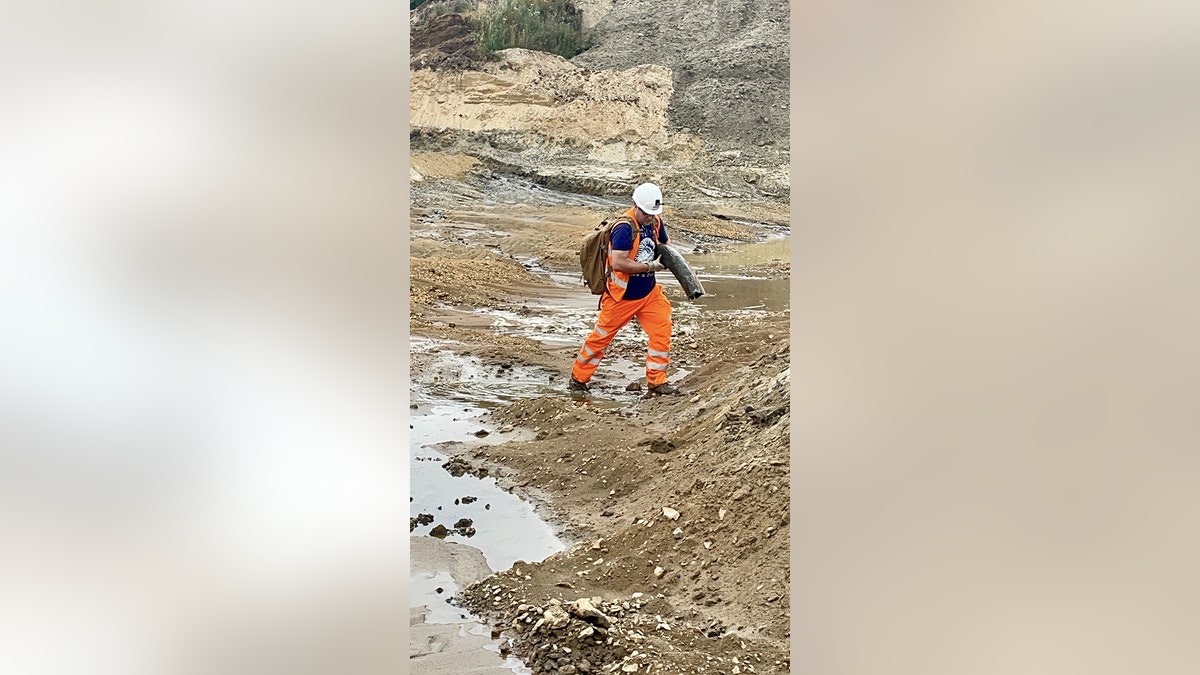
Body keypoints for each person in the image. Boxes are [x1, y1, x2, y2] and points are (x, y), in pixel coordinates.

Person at [570, 182, 683, 397]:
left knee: (662, 330)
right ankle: (578, 379)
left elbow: (664, 245)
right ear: (636, 206)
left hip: (649, 293)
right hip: (621, 297)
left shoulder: (656, 221)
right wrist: (651, 266)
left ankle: (657, 382)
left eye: (653, 213)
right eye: (647, 213)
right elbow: (619, 263)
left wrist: (666, 258)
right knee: (600, 338)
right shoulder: (623, 228)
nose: (651, 217)